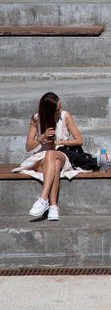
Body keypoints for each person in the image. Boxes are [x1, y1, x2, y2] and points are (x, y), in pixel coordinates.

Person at [12, 92, 85, 220]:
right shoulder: (36, 119)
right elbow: (29, 147)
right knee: (54, 163)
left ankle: (43, 198)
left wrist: (59, 142)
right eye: (57, 109)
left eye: (60, 107)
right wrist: (42, 137)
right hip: (43, 157)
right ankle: (53, 206)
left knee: (53, 155)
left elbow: (79, 140)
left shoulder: (65, 116)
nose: (59, 111)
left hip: (62, 154)